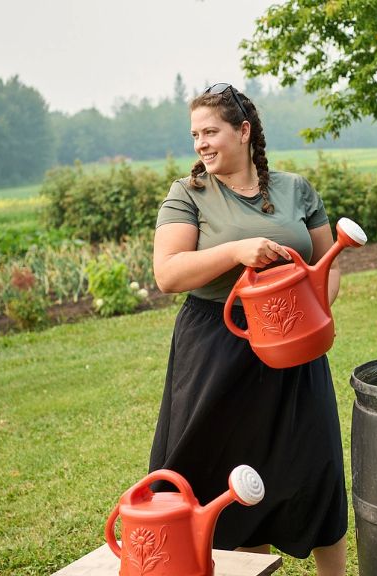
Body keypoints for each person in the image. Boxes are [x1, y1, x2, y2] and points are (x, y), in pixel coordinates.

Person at [148, 83, 347, 576]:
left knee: (314, 461)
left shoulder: (295, 189)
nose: (201, 143)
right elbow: (168, 273)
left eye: (211, 131)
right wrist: (236, 251)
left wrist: (310, 311)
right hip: (218, 348)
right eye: (195, 134)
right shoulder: (189, 193)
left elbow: (329, 264)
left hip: (292, 343)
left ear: (244, 130)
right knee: (226, 474)